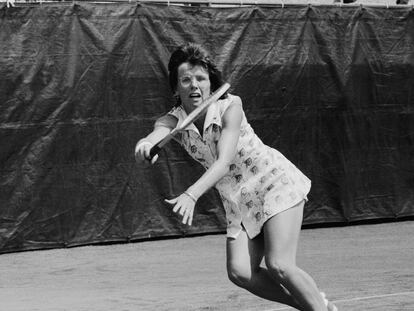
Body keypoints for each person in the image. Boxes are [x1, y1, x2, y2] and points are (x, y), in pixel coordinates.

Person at [135, 43, 338, 311]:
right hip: (238, 201)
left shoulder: (231, 106)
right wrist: (145, 146)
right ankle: (315, 304)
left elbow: (223, 162)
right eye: (185, 80)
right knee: (240, 271)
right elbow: (156, 134)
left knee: (279, 264)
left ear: (210, 82)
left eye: (200, 78)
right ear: (176, 87)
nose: (194, 85)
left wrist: (191, 194)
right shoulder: (173, 121)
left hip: (272, 183)